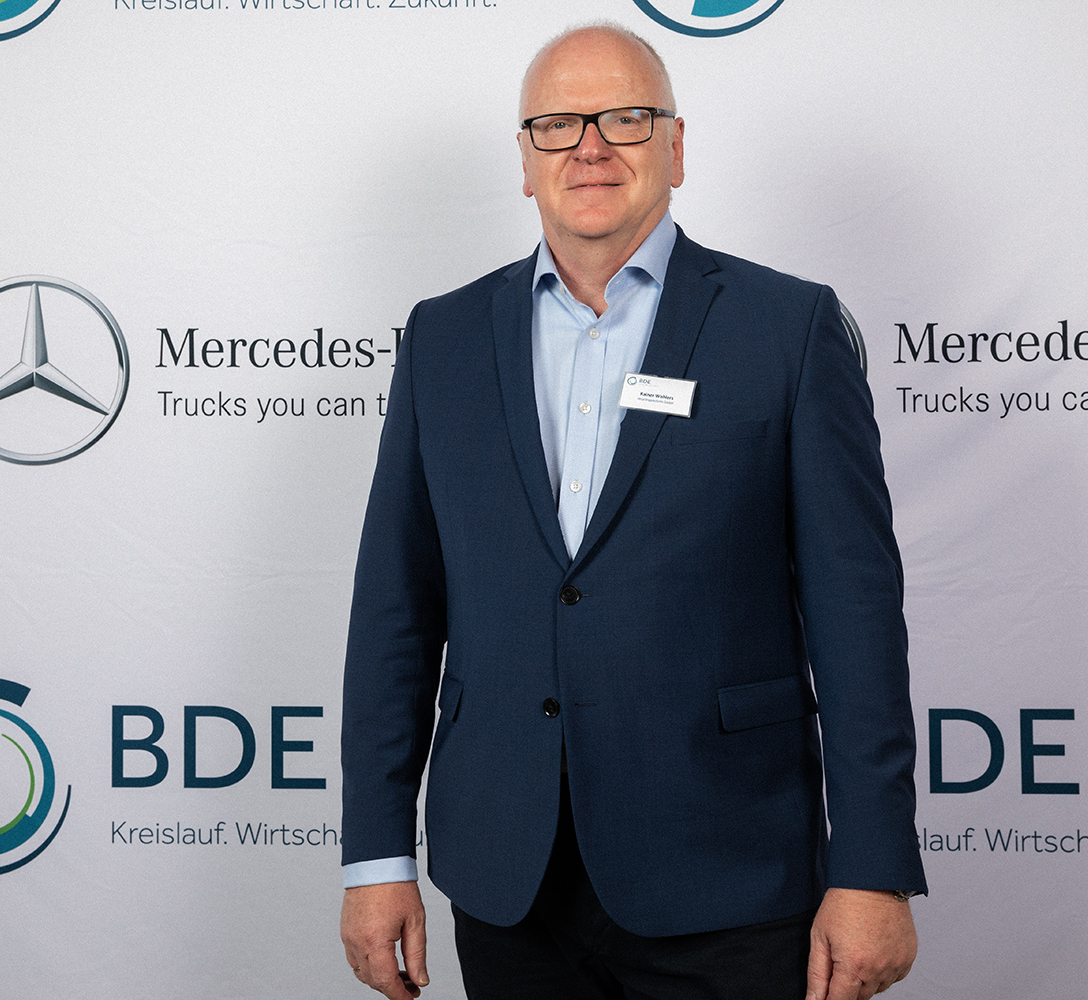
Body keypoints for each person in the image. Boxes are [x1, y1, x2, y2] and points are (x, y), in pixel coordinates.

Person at [339, 22, 926, 1000]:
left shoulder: (787, 329)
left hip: (728, 870)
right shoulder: (442, 339)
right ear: (525, 159)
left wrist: (872, 867)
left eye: (625, 118)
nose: (591, 147)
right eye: (558, 124)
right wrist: (375, 853)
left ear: (676, 147)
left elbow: (855, 616)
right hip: (507, 879)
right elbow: (394, 612)